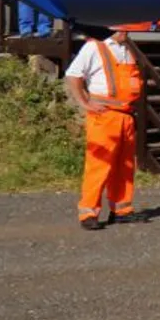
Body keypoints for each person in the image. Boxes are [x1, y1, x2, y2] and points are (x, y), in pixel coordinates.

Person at [64, 26, 146, 230]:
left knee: (125, 166)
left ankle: (121, 210)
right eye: (123, 26)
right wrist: (83, 103)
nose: (127, 30)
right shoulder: (94, 47)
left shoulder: (127, 48)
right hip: (104, 115)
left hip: (126, 116)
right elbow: (73, 75)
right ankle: (88, 213)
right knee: (99, 165)